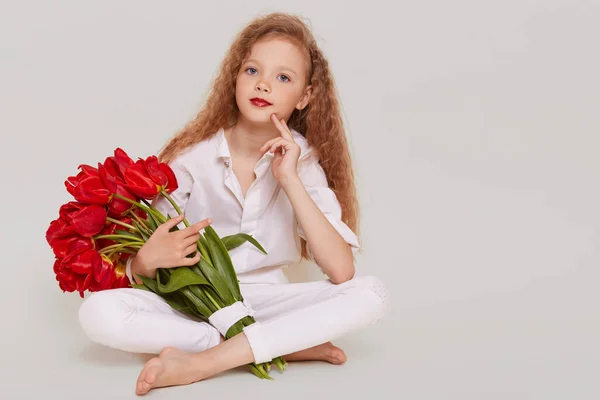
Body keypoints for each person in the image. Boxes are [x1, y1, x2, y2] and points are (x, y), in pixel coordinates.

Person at [77, 11, 391, 396]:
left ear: (305, 96)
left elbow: (342, 270)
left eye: (283, 77)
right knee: (97, 314)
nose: (263, 85)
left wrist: (289, 179)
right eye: (252, 71)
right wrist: (143, 261)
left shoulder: (302, 160)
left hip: (268, 301)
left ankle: (204, 361)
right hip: (195, 301)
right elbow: (149, 263)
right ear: (235, 77)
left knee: (370, 294)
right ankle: (278, 344)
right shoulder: (195, 155)